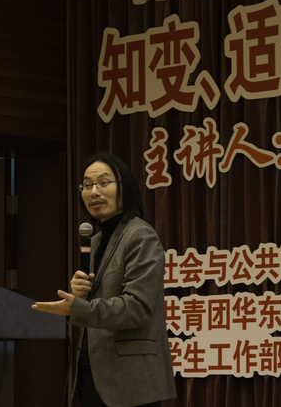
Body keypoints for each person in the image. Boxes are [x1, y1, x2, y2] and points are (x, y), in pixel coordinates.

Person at [32, 152, 177, 407]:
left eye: (103, 182)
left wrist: (77, 308)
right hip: (94, 374)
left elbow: (137, 307)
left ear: (125, 187)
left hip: (130, 381)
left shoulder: (140, 235)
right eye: (87, 185)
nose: (94, 192)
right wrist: (80, 294)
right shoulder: (96, 240)